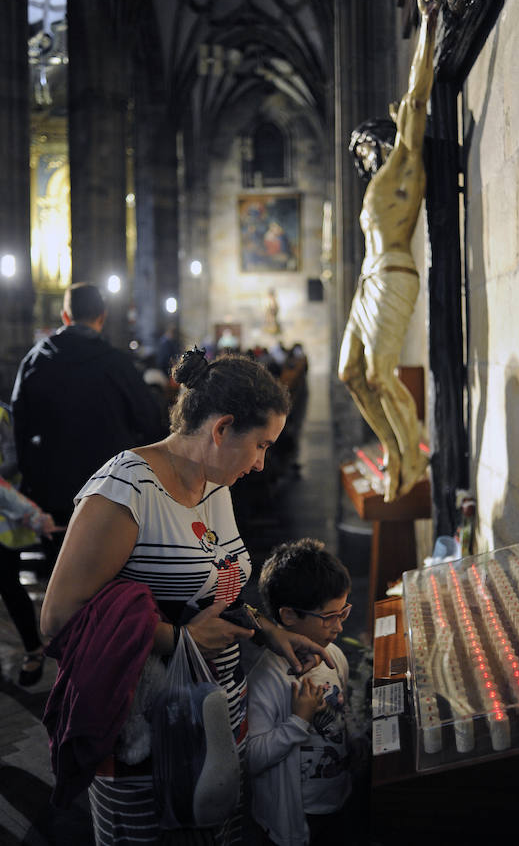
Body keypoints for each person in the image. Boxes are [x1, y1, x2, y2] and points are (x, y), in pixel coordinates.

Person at [40, 348, 333, 846]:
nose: (262, 464)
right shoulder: (127, 487)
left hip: (218, 712)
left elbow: (215, 584)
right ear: (221, 430)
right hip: (151, 728)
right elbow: (58, 617)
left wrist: (268, 630)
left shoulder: (215, 482)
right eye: (260, 445)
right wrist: (176, 638)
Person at [338, 0, 445, 503]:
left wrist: (427, 22)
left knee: (381, 373)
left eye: (363, 149)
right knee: (351, 372)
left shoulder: (404, 158)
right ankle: (393, 449)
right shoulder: (379, 184)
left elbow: (418, 92)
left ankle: (415, 453)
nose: (360, 159)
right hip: (367, 280)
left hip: (394, 273)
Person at [11, 282, 163, 543]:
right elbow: (150, 421)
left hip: (52, 489)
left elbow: (18, 425)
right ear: (102, 317)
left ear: (65, 316)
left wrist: (30, 477)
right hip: (109, 491)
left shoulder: (35, 360)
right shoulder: (118, 364)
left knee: (57, 572)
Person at [247, 538, 355, 846]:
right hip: (295, 817)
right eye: (329, 617)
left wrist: (355, 740)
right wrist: (298, 721)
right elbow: (251, 757)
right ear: (290, 616)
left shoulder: (335, 657)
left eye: (343, 613)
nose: (339, 628)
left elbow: (340, 714)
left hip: (337, 797)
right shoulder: (268, 680)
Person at [0, 401, 61, 685]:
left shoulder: (2, 415)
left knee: (9, 586)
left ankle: (33, 648)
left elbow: (14, 462)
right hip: (11, 511)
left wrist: (35, 518)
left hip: (5, 525)